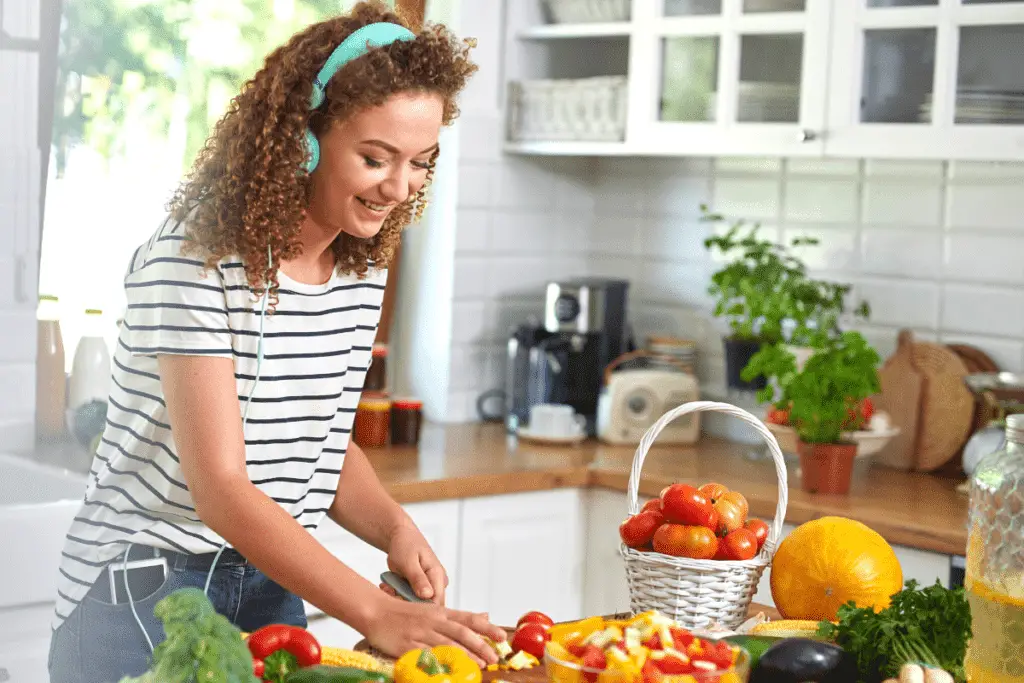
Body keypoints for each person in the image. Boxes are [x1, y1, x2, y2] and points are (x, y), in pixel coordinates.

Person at [48, 3, 505, 681]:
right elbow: (223, 489)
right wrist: (376, 614)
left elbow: (317, 436)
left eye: (419, 162)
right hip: (141, 593)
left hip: (270, 576)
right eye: (376, 158)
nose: (399, 187)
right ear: (303, 141)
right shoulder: (194, 260)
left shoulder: (361, 262)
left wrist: (392, 527)